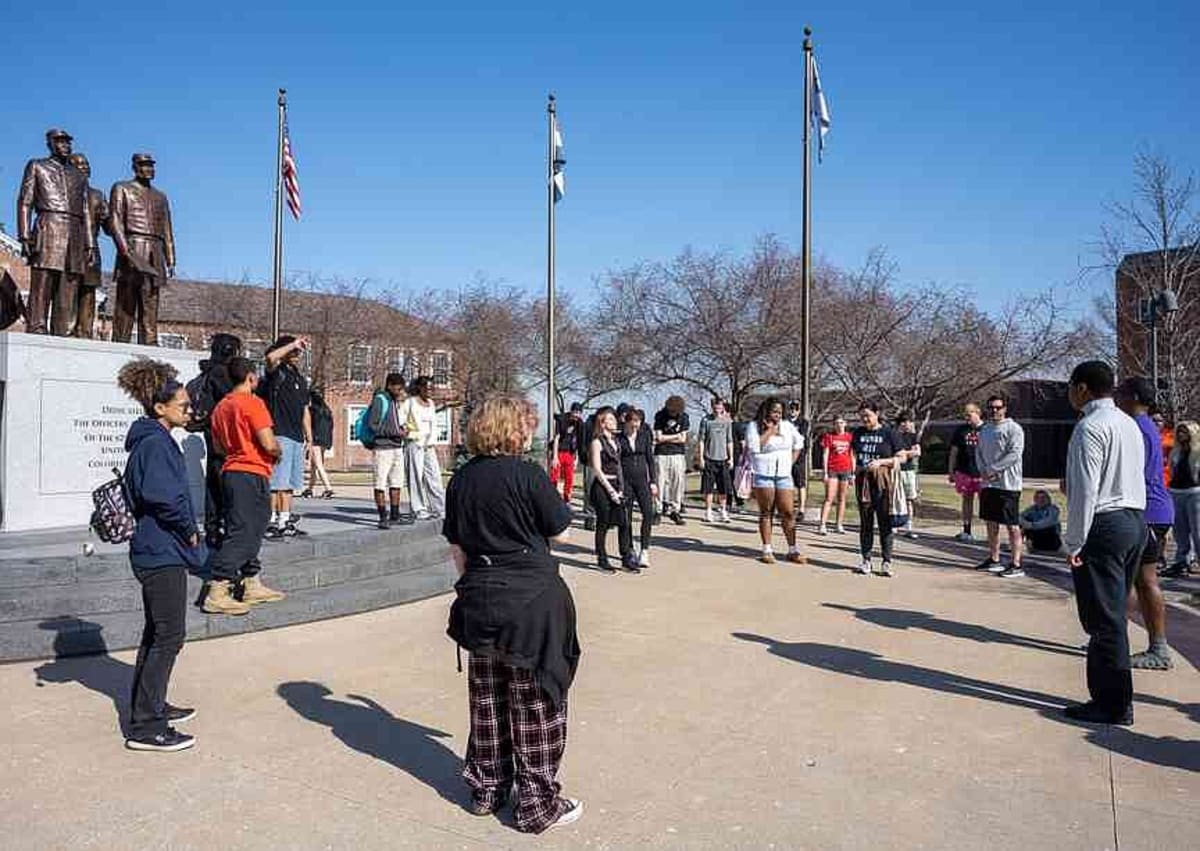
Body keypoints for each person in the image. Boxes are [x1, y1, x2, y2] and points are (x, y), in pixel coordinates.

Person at [442, 395, 583, 833]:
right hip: (531, 600)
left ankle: (487, 788)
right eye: (526, 425)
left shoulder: (461, 480)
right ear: (512, 429)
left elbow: (458, 550)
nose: (529, 432)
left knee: (488, 699)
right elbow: (560, 531)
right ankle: (537, 803)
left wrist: (474, 587)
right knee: (536, 702)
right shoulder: (527, 475)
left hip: (479, 599)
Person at [116, 358, 203, 752]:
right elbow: (164, 498)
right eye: (183, 406)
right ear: (160, 408)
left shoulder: (154, 439)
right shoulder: (154, 443)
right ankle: (146, 725)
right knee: (169, 635)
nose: (190, 410)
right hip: (160, 551)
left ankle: (152, 706)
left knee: (158, 633)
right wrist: (189, 530)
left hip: (158, 548)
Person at [1062, 360, 1146, 725]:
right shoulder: (1128, 423)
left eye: (1070, 387)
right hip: (1134, 521)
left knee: (1104, 619)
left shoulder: (1089, 427)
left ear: (1082, 389)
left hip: (1104, 526)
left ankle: (1113, 703)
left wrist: (1073, 543)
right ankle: (1113, 697)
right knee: (1114, 615)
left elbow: (1084, 492)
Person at [206, 357, 285, 614]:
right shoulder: (253, 403)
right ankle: (217, 588)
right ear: (250, 378)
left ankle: (251, 581)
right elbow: (268, 442)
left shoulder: (220, 408)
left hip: (230, 470)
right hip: (251, 471)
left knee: (246, 525)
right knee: (246, 529)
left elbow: (218, 447)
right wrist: (277, 452)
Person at [1116, 377, 1175, 670]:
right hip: (1153, 511)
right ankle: (1117, 638)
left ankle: (1157, 648)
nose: (1116, 398)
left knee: (1141, 580)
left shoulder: (1137, 428)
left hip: (1148, 512)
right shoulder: (1145, 426)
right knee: (1135, 580)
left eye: (1121, 393)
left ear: (1134, 397)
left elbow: (1132, 472)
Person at [187, 333, 241, 548]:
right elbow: (232, 400)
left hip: (211, 433)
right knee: (224, 483)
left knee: (213, 481)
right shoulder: (221, 373)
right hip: (222, 435)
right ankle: (223, 526)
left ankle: (213, 527)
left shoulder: (208, 371)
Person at [258, 336, 312, 539]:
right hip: (279, 433)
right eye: (294, 351)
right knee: (276, 482)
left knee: (290, 483)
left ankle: (285, 519)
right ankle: (270, 520)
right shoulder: (276, 373)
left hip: (296, 436)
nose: (297, 355)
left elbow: (305, 410)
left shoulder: (299, 378)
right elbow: (271, 358)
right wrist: (292, 344)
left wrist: (309, 438)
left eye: (299, 351)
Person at [746, 397, 806, 565]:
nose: (777, 415)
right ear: (766, 411)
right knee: (766, 512)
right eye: (774, 412)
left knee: (787, 512)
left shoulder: (787, 426)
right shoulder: (754, 426)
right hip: (763, 473)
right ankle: (767, 549)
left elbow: (799, 442)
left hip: (784, 474)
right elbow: (754, 447)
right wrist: (770, 431)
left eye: (780, 412)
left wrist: (791, 461)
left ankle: (792, 550)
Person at [850, 402, 905, 576]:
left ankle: (886, 561)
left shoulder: (889, 433)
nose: (865, 419)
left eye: (868, 415)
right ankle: (866, 560)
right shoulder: (858, 433)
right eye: (862, 416)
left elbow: (902, 456)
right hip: (864, 481)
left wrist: (881, 462)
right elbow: (854, 454)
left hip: (883, 481)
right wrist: (854, 470)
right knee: (866, 522)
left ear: (877, 413)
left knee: (884, 522)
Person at [976, 395, 1026, 579]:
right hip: (989, 484)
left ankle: (1016, 564)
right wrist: (983, 471)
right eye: (991, 408)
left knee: (1012, 526)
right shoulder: (985, 429)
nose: (994, 411)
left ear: (1005, 408)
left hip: (1008, 485)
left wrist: (994, 469)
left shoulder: (1014, 429)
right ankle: (994, 559)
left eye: (998, 407)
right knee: (991, 522)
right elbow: (979, 452)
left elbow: (1015, 454)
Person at [588, 406, 637, 572]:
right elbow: (597, 470)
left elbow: (619, 467)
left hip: (618, 485)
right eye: (610, 419)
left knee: (624, 522)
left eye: (614, 418)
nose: (614, 421)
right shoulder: (596, 442)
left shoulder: (616, 442)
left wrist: (621, 489)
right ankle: (602, 558)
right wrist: (611, 491)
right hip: (603, 488)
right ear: (602, 423)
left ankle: (626, 558)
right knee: (604, 522)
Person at [367, 373, 411, 530]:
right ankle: (382, 517)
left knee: (396, 482)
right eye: (398, 388)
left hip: (397, 446)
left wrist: (400, 430)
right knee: (380, 483)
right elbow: (373, 425)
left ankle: (395, 515)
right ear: (390, 385)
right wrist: (394, 432)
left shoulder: (394, 401)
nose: (400, 391)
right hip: (383, 448)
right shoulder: (380, 400)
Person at [403, 376, 447, 521]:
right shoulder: (409, 402)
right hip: (414, 443)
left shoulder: (431, 403)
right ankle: (418, 509)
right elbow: (400, 420)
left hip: (429, 445)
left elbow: (432, 423)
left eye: (432, 388)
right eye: (427, 388)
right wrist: (408, 433)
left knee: (434, 476)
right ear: (420, 388)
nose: (430, 391)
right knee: (415, 477)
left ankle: (439, 508)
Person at [618, 407, 657, 568]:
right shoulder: (619, 438)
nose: (635, 425)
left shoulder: (644, 436)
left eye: (638, 422)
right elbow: (617, 462)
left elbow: (650, 460)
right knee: (626, 517)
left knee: (648, 513)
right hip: (626, 481)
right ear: (626, 422)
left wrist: (653, 481)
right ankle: (630, 550)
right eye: (632, 422)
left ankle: (645, 550)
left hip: (642, 481)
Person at [1165, 421, 1200, 577]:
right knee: (1180, 531)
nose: (1180, 435)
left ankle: (1196, 560)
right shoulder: (1176, 451)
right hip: (1177, 492)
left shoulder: (1198, 452)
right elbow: (1172, 471)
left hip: (1195, 493)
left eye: (1184, 432)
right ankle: (1182, 561)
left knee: (1197, 530)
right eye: (1179, 431)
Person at [947, 404, 985, 542]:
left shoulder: (987, 429)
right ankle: (967, 530)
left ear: (977, 413)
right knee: (967, 500)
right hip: (964, 471)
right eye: (965, 415)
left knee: (985, 502)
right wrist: (951, 471)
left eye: (969, 415)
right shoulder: (961, 431)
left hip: (982, 473)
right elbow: (954, 452)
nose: (967, 418)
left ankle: (990, 531)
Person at [653, 396, 690, 525]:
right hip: (661, 454)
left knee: (678, 483)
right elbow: (658, 437)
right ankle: (657, 510)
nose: (674, 414)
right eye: (672, 412)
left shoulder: (684, 417)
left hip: (678, 454)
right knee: (659, 482)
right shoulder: (660, 415)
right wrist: (675, 436)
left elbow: (683, 438)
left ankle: (676, 510)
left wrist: (666, 437)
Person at [698, 397, 734, 523]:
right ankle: (708, 511)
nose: (717, 409)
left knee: (723, 487)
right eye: (715, 407)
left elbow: (730, 441)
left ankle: (723, 510)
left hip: (723, 459)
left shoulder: (728, 421)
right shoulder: (706, 420)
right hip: (709, 458)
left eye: (719, 407)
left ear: (723, 407)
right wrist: (701, 457)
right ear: (712, 406)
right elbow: (701, 440)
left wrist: (731, 458)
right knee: (708, 488)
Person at [818, 416, 853, 536]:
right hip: (833, 469)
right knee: (829, 497)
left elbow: (852, 455)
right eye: (837, 423)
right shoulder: (829, 437)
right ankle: (822, 524)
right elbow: (825, 454)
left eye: (841, 423)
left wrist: (852, 473)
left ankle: (839, 524)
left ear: (845, 423)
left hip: (846, 469)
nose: (839, 425)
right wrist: (825, 472)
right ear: (833, 425)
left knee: (842, 498)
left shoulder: (849, 437)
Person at [302, 387, 335, 500]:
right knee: (314, 465)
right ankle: (310, 489)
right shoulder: (327, 411)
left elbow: (308, 425)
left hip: (316, 440)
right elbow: (331, 428)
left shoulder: (312, 410)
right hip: (325, 440)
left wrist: (308, 439)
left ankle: (328, 488)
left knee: (318, 465)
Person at [549, 403, 585, 504]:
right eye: (576, 412)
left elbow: (578, 441)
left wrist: (576, 458)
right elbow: (557, 438)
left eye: (579, 413)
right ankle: (552, 496)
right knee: (554, 476)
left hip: (569, 452)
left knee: (569, 477)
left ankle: (567, 498)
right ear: (571, 411)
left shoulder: (579, 423)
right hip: (559, 450)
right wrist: (555, 456)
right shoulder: (562, 420)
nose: (577, 415)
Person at [895, 411, 922, 539]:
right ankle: (893, 525)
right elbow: (894, 454)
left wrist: (905, 453)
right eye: (905, 422)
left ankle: (908, 527)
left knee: (909, 499)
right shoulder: (893, 435)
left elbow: (917, 452)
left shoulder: (913, 436)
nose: (908, 424)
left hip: (909, 470)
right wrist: (907, 453)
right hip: (896, 470)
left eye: (910, 422)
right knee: (895, 498)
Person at [787, 400, 811, 522]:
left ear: (799, 410)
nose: (793, 411)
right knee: (787, 484)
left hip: (799, 456)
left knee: (800, 483)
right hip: (786, 455)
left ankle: (801, 509)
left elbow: (800, 437)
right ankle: (788, 509)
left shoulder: (803, 422)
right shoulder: (784, 422)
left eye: (796, 409)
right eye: (791, 408)